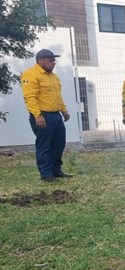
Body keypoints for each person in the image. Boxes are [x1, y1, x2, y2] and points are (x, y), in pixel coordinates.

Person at [20, 49, 72, 182]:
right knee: (44, 145)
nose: (53, 63)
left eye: (54, 60)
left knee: (59, 144)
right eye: (50, 60)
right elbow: (29, 97)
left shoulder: (53, 76)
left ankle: (56, 171)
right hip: (43, 116)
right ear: (40, 60)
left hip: (56, 116)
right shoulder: (31, 75)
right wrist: (37, 115)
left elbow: (57, 96)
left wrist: (64, 110)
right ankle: (46, 174)